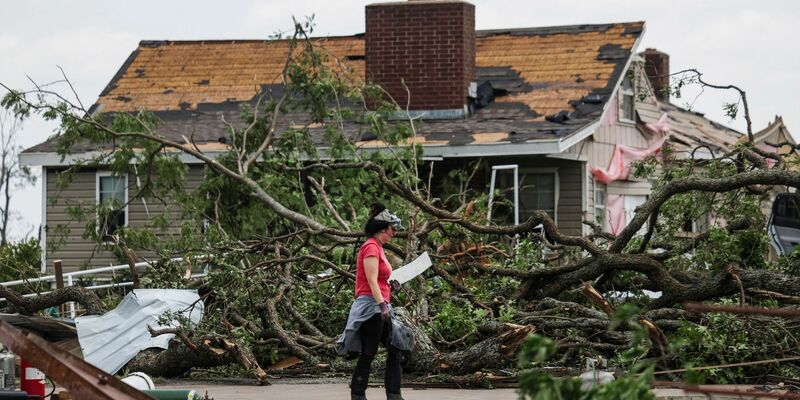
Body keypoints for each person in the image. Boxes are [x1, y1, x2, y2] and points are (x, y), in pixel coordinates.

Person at [335, 203, 413, 400]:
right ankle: (358, 395)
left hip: (381, 304)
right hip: (371, 307)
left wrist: (391, 285)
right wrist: (381, 305)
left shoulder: (378, 248)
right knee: (370, 350)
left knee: (396, 346)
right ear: (382, 228)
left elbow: (378, 278)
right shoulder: (370, 246)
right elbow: (370, 280)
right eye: (391, 229)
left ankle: (394, 394)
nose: (393, 233)